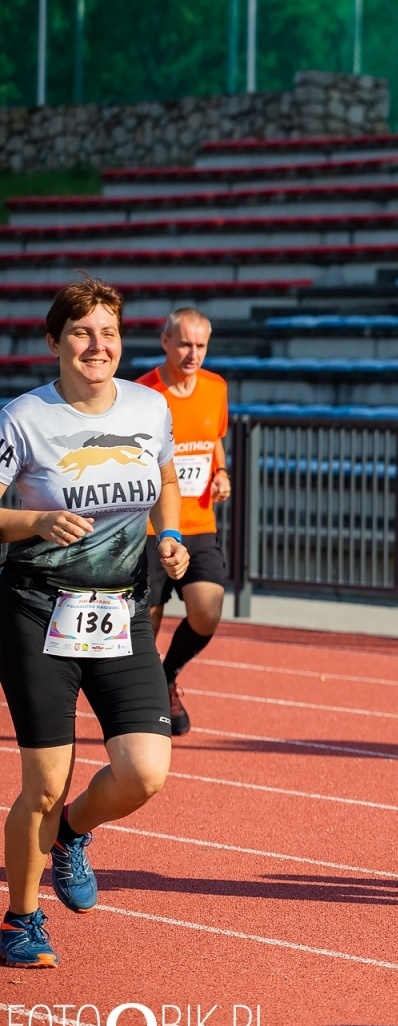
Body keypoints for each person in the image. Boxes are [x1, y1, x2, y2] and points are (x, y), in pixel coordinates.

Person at [0, 277, 189, 968]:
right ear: (55, 342)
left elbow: (165, 480)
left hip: (121, 612)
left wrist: (171, 537)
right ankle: (21, 919)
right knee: (43, 783)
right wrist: (34, 520)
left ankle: (73, 833)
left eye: (107, 332)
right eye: (81, 332)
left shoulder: (148, 406)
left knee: (143, 773)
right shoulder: (22, 417)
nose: (96, 345)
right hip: (35, 612)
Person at [136, 308, 230, 737]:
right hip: (153, 527)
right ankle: (146, 696)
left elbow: (213, 440)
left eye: (201, 345)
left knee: (207, 610)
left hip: (199, 523)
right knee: (146, 623)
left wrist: (222, 473)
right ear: (165, 342)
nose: (193, 354)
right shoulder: (144, 394)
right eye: (185, 344)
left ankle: (166, 676)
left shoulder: (216, 388)